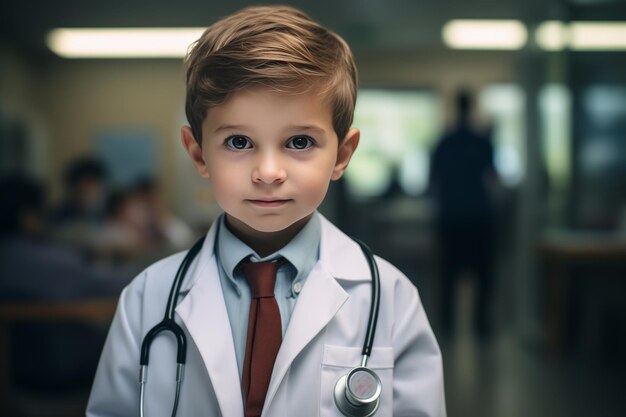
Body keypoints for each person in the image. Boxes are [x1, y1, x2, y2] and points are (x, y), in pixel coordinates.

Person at [87, 6, 446, 417]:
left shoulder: (391, 298)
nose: (269, 173)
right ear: (198, 153)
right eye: (239, 143)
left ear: (342, 154)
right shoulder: (147, 298)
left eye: (299, 143)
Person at [0, 173, 131, 391]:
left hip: (14, 372)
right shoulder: (43, 263)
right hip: (60, 365)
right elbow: (117, 283)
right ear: (28, 216)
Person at [429, 89, 498, 338]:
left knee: (448, 274)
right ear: (473, 107)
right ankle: (481, 326)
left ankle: (447, 327)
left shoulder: (444, 143)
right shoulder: (482, 141)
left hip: (451, 216)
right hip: (479, 216)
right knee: (482, 275)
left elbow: (433, 180)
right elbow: (492, 178)